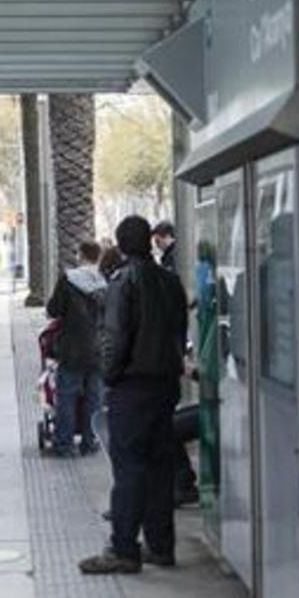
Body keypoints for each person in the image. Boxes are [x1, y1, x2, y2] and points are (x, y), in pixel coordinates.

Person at [80, 216, 188, 574]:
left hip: (132, 386)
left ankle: (123, 548)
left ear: (122, 246)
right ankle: (161, 545)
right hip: (165, 385)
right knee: (160, 466)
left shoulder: (122, 283)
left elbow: (114, 337)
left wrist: (109, 377)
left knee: (129, 467)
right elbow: (179, 332)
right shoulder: (171, 282)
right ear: (150, 241)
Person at [150, 219, 201, 507]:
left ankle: (182, 484)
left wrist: (191, 371)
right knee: (166, 425)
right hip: (214, 400)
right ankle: (181, 483)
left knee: (165, 428)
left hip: (222, 406)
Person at [46, 241, 106, 457]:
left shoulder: (68, 279)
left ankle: (64, 444)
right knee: (95, 399)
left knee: (67, 398)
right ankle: (89, 443)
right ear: (99, 257)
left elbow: (54, 310)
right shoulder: (106, 280)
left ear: (80, 255)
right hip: (99, 351)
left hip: (71, 349)